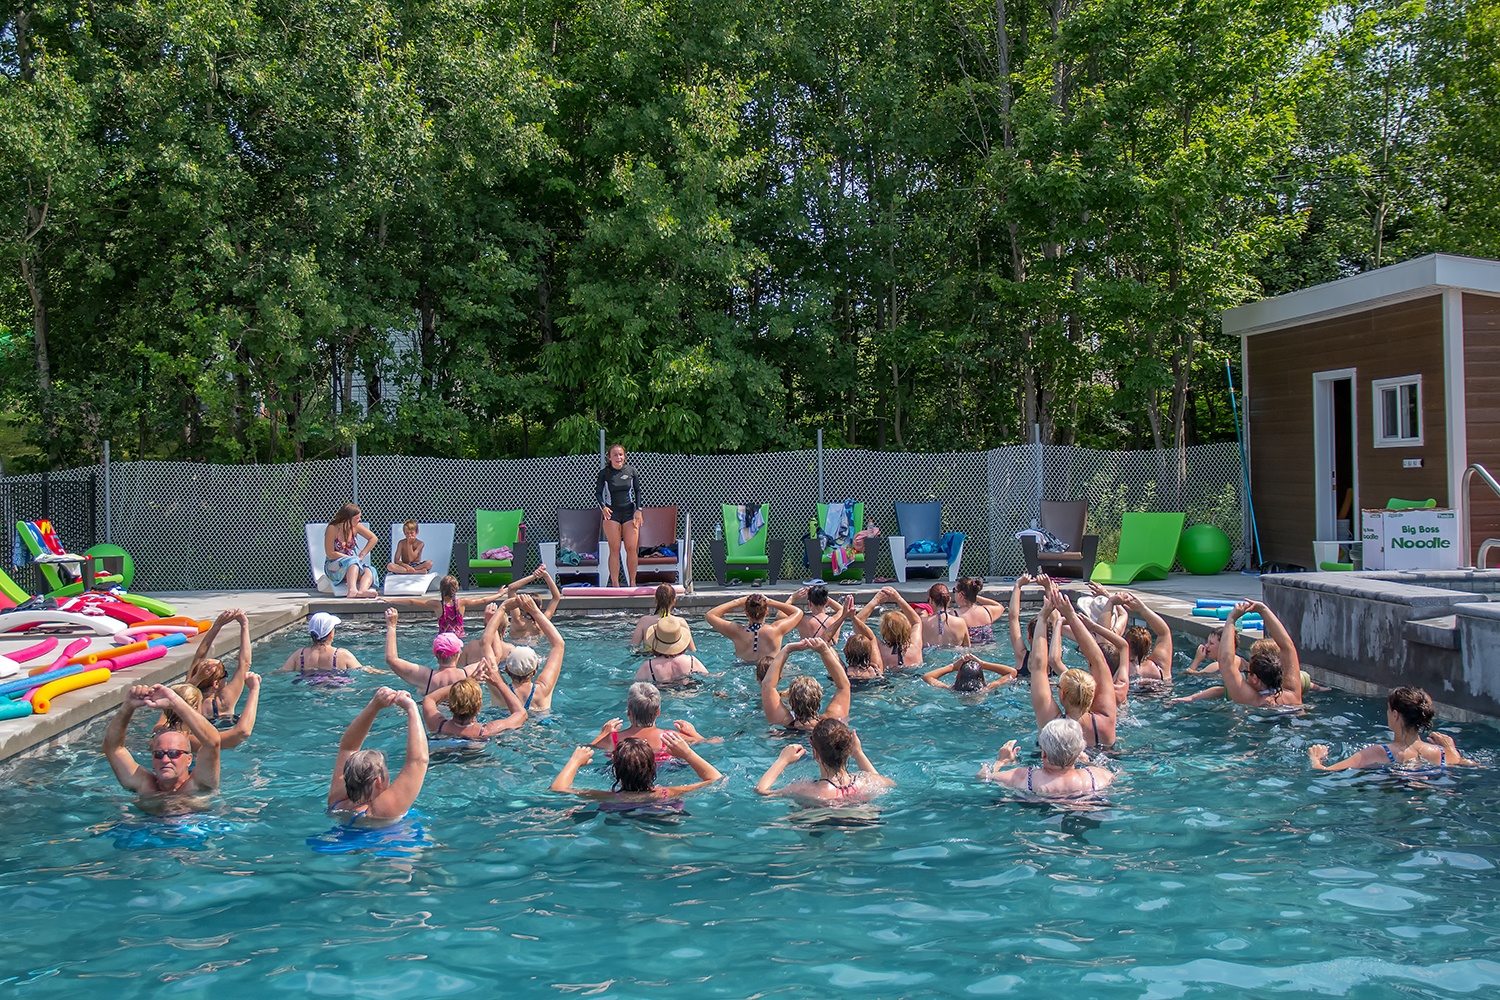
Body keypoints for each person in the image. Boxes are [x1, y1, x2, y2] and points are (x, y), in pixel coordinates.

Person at [1028, 578, 1119, 750]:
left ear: (1062, 695)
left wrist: (1042, 618)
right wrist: (1070, 614)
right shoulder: (1106, 722)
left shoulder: (1051, 723)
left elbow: (1039, 666)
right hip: (1101, 764)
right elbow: (1098, 660)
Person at [104, 684, 221, 812]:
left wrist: (175, 701)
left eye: (173, 753)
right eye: (159, 754)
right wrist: (128, 706)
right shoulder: (145, 785)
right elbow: (113, 748)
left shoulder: (199, 785)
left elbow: (212, 743)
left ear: (189, 759)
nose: (165, 760)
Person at [1309, 686, 1480, 771]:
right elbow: (1472, 767)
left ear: (1395, 714)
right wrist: (1452, 750)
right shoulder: (1443, 753)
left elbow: (1326, 772)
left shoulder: (1378, 752)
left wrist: (1316, 759)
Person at [327, 687, 429, 826]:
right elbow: (417, 761)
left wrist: (374, 705)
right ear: (379, 782)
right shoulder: (382, 810)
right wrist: (412, 708)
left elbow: (348, 747)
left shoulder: (337, 801)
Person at [550, 731, 723, 806]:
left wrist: (574, 762)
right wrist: (687, 753)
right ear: (653, 768)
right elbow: (716, 779)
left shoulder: (608, 797)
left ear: (615, 770)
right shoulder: (667, 793)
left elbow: (558, 790)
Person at [754, 718, 894, 804]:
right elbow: (887, 783)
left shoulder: (805, 790)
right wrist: (859, 754)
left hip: (822, 822)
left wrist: (782, 760)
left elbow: (761, 791)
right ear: (848, 750)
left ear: (815, 752)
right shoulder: (866, 781)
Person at [385, 573, 518, 663]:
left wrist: (390, 599)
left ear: (441, 590)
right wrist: (499, 594)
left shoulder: (437, 605)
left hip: (443, 640)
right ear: (456, 589)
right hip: (459, 639)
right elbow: (483, 600)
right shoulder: (462, 603)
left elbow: (411, 602)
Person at [383, 605, 505, 696]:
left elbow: (391, 659)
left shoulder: (425, 677)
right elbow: (495, 656)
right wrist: (491, 623)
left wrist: (391, 626)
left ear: (435, 654)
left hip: (434, 717)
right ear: (458, 654)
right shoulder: (469, 673)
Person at [979, 718, 1115, 797]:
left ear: (1044, 753)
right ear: (1079, 751)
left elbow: (983, 777)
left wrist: (1001, 761)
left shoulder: (1024, 776)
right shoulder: (1096, 776)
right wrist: (1089, 764)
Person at [1208, 600, 1304, 709]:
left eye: (1248, 672)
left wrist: (1231, 619)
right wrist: (1263, 609)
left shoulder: (1252, 701)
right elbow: (1288, 647)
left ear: (1255, 678)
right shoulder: (1292, 695)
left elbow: (1226, 662)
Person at [591, 682, 717, 760]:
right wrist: (695, 734)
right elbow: (715, 742)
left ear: (628, 711)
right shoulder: (669, 737)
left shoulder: (613, 739)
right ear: (658, 712)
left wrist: (602, 735)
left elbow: (586, 750)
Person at [758, 637, 851, 731]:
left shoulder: (782, 722)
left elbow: (767, 685)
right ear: (819, 698)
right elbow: (844, 686)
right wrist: (824, 651)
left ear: (791, 701)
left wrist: (787, 649)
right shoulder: (832, 725)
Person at [420, 660, 528, 740]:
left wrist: (468, 681)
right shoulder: (486, 731)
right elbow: (521, 713)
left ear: (450, 703)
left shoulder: (438, 725)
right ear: (479, 705)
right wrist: (499, 683)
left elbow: (429, 698)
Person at [497, 595, 567, 714]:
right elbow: (558, 644)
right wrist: (534, 610)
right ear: (535, 669)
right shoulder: (542, 690)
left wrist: (502, 608)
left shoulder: (501, 691)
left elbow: (487, 648)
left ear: (507, 669)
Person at [273, 612, 380, 686]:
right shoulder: (342, 654)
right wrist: (384, 672)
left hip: (308, 687)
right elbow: (363, 669)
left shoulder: (299, 654)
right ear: (331, 634)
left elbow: (281, 672)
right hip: (335, 690)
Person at [158, 676, 262, 751]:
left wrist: (198, 677)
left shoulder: (158, 731)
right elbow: (242, 732)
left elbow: (172, 703)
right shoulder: (189, 741)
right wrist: (254, 689)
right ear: (195, 708)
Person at [186, 608, 253, 723]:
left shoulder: (187, 695)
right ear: (216, 683)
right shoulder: (223, 701)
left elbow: (199, 655)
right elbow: (245, 663)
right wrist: (244, 625)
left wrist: (217, 625)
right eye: (225, 673)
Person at [597, 443, 644, 588]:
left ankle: (632, 582)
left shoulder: (631, 471)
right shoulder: (605, 473)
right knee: (615, 548)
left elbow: (637, 491)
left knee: (631, 548)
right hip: (612, 513)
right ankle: (615, 584)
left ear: (625, 456)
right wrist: (603, 507)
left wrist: (639, 510)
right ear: (609, 458)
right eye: (615, 455)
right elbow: (598, 493)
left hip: (629, 512)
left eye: (621, 454)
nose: (618, 457)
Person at [706, 594, 803, 661]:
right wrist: (770, 601)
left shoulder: (736, 631)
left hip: (742, 670)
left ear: (746, 613)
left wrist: (737, 602)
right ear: (767, 612)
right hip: (770, 670)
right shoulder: (776, 630)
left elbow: (710, 615)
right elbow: (798, 612)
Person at [855, 586, 924, 669]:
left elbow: (857, 622)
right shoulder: (915, 646)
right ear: (907, 628)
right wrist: (898, 599)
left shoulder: (879, 649)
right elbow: (917, 621)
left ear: (883, 631)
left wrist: (875, 600)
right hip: (914, 674)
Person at [324, 502, 380, 598]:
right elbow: (330, 553)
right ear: (348, 518)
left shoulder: (356, 527)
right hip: (334, 566)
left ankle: (363, 590)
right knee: (353, 562)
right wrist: (349, 558)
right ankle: (352, 590)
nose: (360, 519)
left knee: (369, 570)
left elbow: (373, 538)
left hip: (353, 564)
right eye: (357, 518)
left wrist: (361, 555)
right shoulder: (333, 528)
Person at [635, 616, 707, 685]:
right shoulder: (691, 661)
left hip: (661, 692)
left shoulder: (648, 666)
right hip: (689, 691)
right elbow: (708, 677)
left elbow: (636, 686)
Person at [502, 568, 565, 644]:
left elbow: (511, 588)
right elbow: (556, 597)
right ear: (540, 607)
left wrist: (534, 576)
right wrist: (546, 575)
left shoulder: (517, 620)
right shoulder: (542, 622)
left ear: (522, 606)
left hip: (516, 648)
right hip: (536, 648)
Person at [630, 584, 695, 652]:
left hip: (650, 656)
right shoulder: (681, 622)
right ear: (674, 602)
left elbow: (633, 647)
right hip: (674, 656)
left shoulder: (644, 621)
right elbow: (692, 650)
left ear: (656, 600)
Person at [923, 652, 1016, 693]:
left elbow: (927, 677)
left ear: (957, 677)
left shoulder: (951, 690)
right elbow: (1012, 672)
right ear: (982, 679)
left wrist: (952, 666)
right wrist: (983, 664)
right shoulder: (986, 689)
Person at [954, 577, 1006, 645]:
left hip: (970, 650)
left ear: (960, 595)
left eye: (954, 590)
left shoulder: (954, 616)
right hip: (990, 648)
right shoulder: (987, 611)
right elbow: (1000, 607)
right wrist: (974, 596)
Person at [919, 583, 969, 649]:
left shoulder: (921, 623)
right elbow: (967, 649)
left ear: (930, 601)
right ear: (949, 600)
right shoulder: (961, 623)